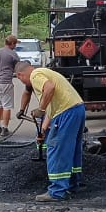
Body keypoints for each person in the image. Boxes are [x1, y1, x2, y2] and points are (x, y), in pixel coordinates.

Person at [16, 61, 86, 202]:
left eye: (20, 79)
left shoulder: (35, 75)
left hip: (66, 112)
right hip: (77, 110)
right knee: (71, 150)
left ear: (20, 75)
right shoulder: (46, 72)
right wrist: (43, 130)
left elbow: (49, 88)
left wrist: (40, 109)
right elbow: (50, 109)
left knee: (57, 150)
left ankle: (57, 192)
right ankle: (72, 185)